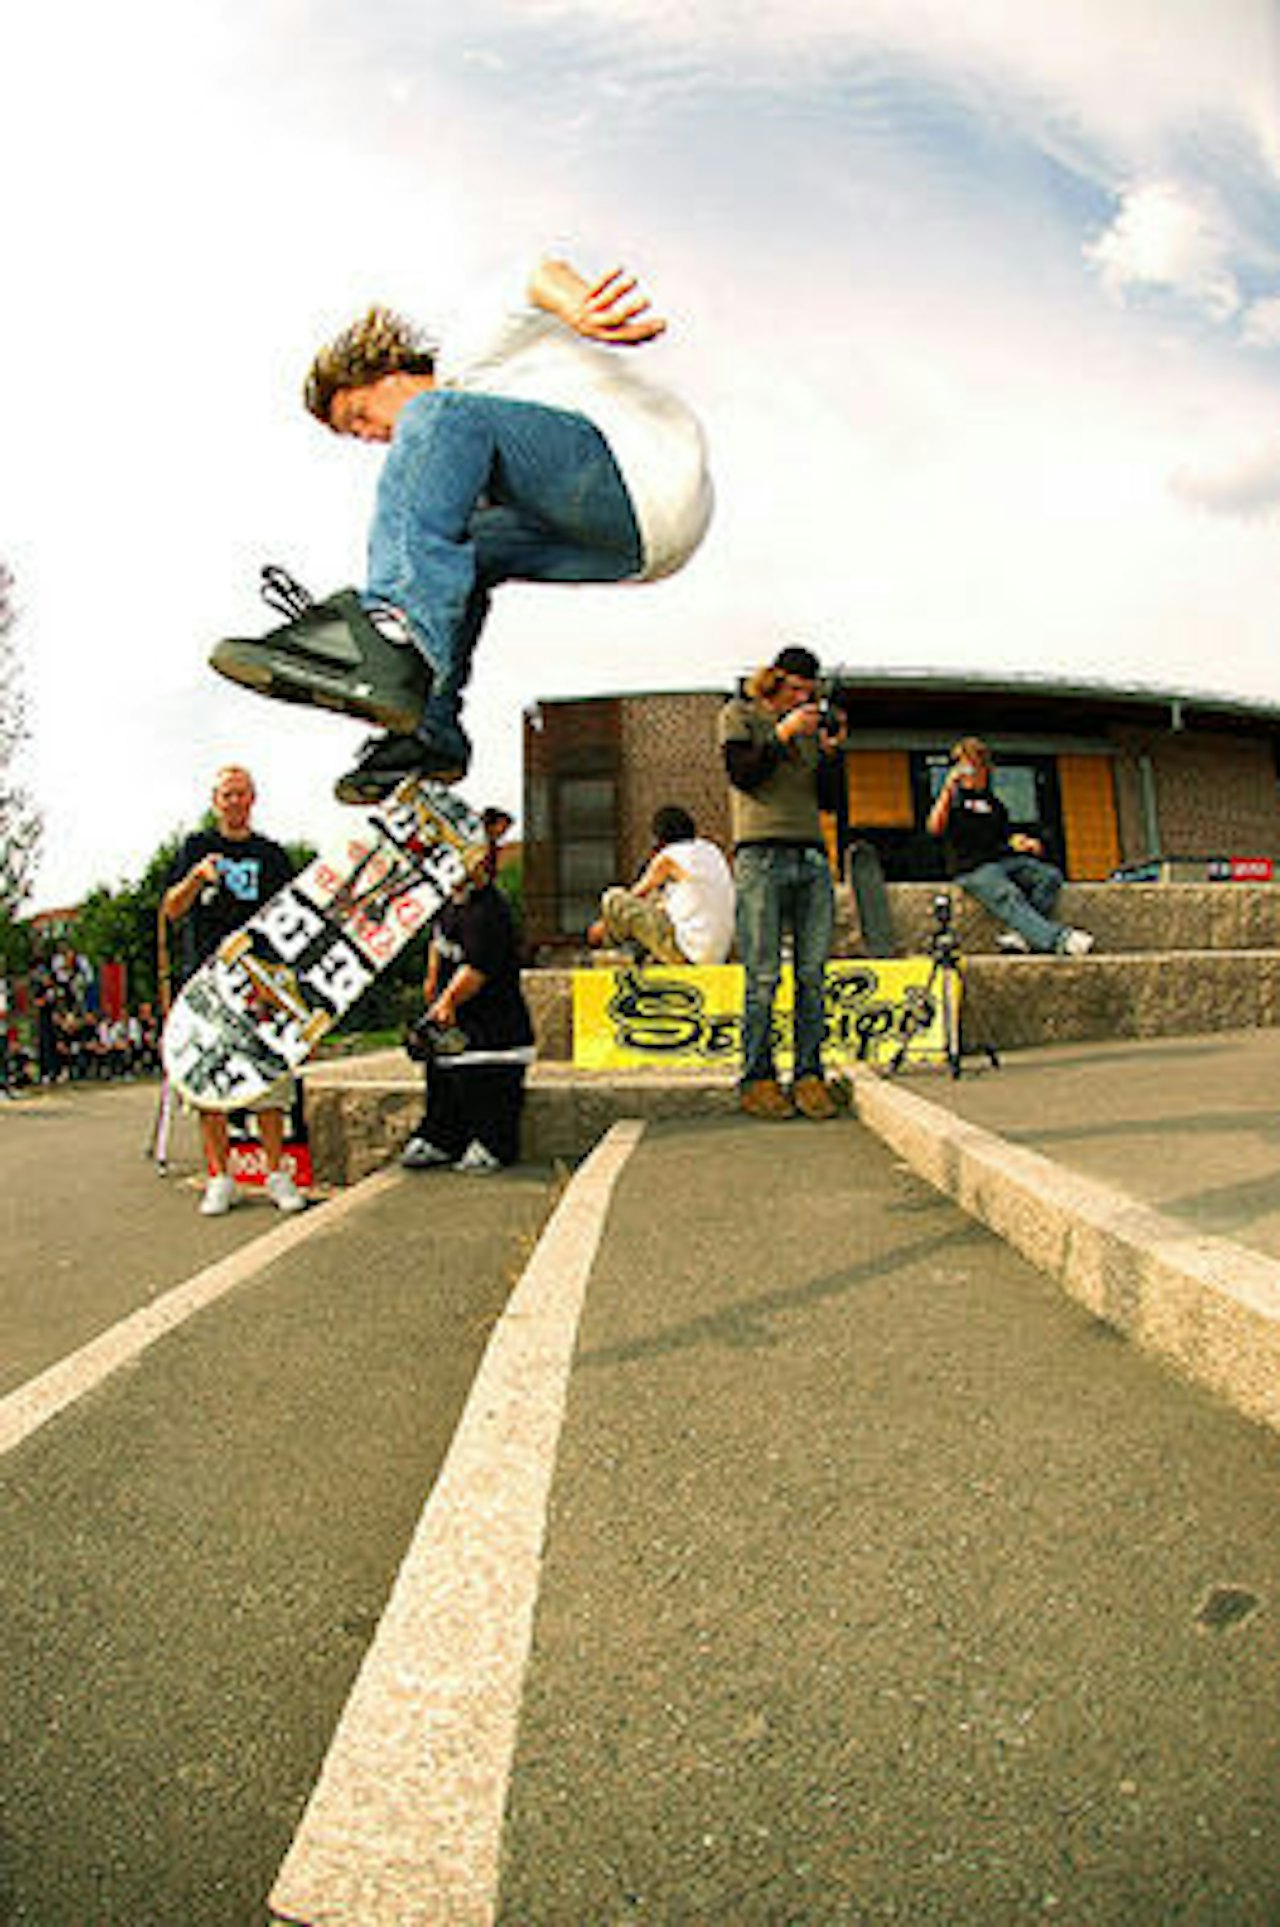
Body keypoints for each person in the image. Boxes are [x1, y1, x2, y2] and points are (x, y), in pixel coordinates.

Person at [211, 256, 714, 805]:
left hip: (641, 469)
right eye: (355, 437)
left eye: (360, 416)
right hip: (638, 542)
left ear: (387, 373)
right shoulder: (462, 460)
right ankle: (431, 730)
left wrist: (576, 303)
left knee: (439, 419)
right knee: (462, 547)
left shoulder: (465, 354)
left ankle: (391, 631)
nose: (371, 437)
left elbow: (533, 274)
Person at [163, 766, 308, 1215]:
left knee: (267, 1076)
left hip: (259, 982)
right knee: (210, 1079)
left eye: (242, 793)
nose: (235, 801)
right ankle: (219, 1177)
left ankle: (275, 1173)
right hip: (208, 981)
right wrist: (196, 879)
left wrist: (283, 985)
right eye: (228, 794)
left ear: (253, 799)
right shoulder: (195, 847)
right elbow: (170, 910)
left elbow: (295, 921)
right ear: (215, 800)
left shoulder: (272, 855)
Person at [718, 645, 847, 1121]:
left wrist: (832, 753)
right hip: (760, 855)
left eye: (809, 692)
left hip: (811, 855)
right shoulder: (740, 715)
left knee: (813, 974)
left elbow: (830, 801)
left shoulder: (810, 729)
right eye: (795, 689)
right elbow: (743, 774)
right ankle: (757, 1079)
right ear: (773, 681)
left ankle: (809, 1074)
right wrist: (781, 733)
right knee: (764, 976)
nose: (802, 698)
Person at [400, 857, 535, 1174]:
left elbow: (477, 967)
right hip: (457, 1027)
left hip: (496, 1030)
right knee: (442, 1077)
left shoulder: (489, 911)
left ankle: (492, 1145)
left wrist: (447, 1001)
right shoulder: (449, 903)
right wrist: (432, 980)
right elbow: (438, 940)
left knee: (485, 1084)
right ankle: (441, 1139)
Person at [926, 737, 1095, 956]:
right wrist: (948, 789)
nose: (972, 772)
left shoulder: (994, 804)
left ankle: (1021, 935)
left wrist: (1022, 842)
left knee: (1048, 876)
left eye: (978, 765)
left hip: (1000, 860)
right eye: (966, 766)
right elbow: (934, 827)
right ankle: (1058, 939)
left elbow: (1003, 837)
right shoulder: (953, 801)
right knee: (1007, 894)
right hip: (971, 869)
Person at [587, 804, 734, 965]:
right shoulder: (711, 850)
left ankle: (611, 947)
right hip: (718, 953)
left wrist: (604, 924)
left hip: (687, 953)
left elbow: (635, 895)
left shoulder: (669, 857)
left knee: (614, 899)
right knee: (657, 902)